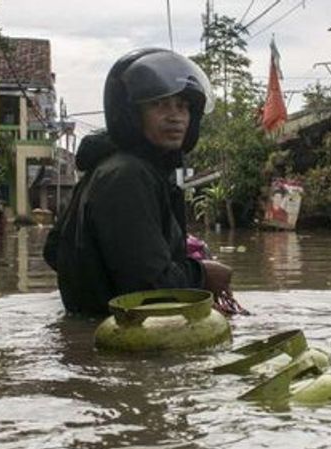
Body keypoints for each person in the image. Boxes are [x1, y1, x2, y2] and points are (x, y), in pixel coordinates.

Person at [44, 48, 234, 315]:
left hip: (104, 334)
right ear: (132, 114)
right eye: (159, 104)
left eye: (182, 106)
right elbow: (151, 287)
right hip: (124, 339)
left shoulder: (114, 167)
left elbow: (54, 250)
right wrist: (202, 276)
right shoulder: (127, 176)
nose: (175, 116)